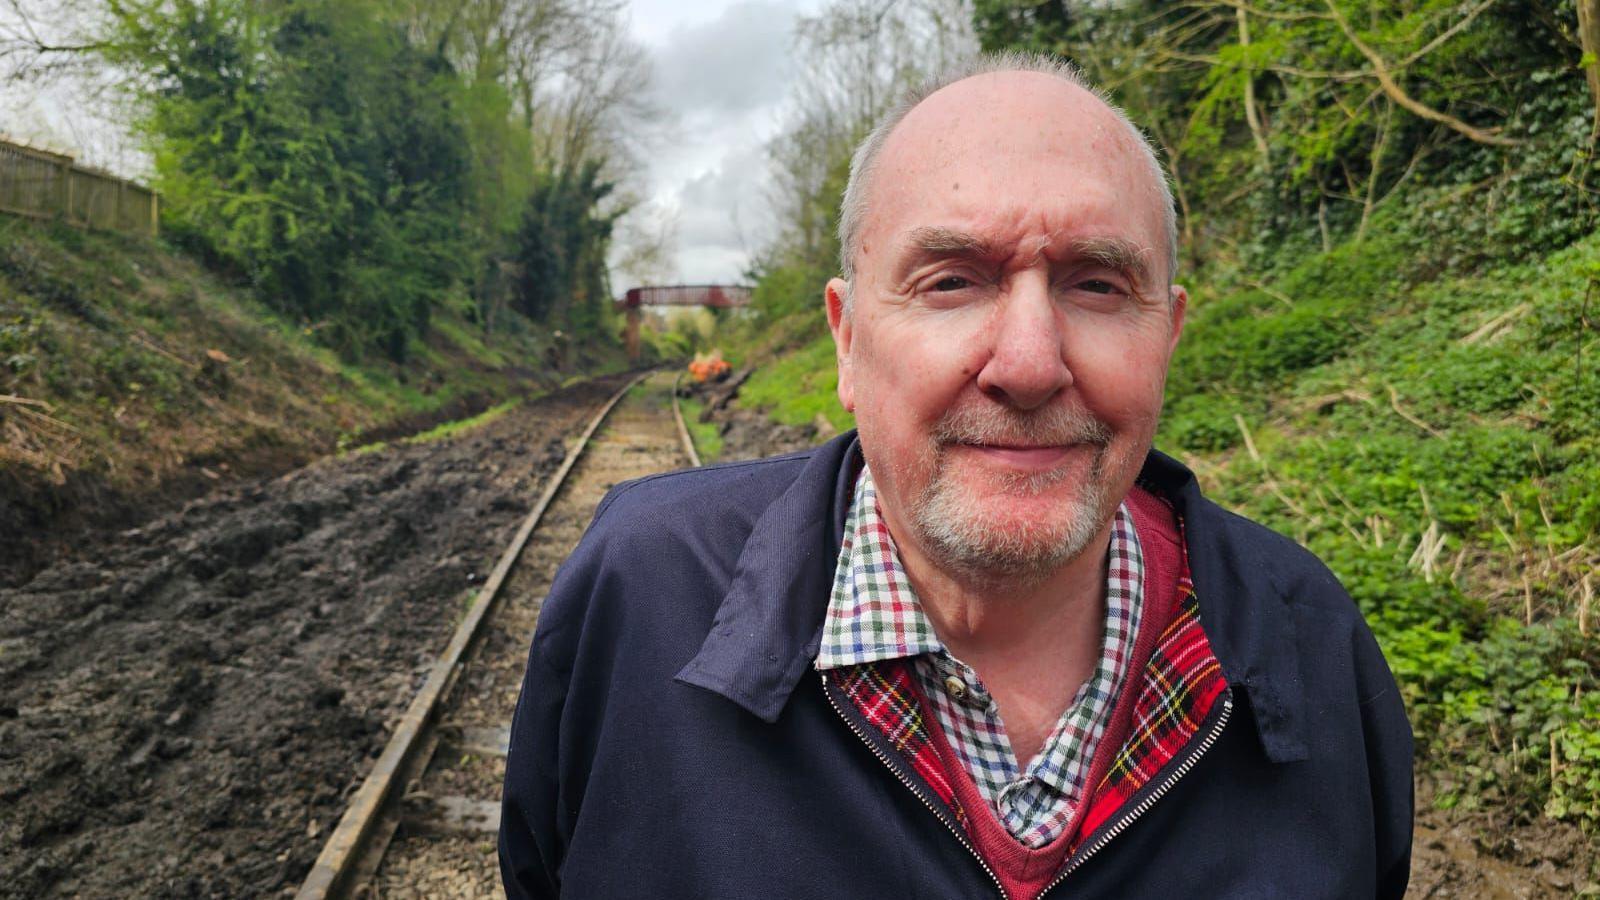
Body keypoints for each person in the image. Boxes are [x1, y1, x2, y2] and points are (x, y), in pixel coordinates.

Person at [499, 52, 1413, 900]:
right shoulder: (640, 593)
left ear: (1167, 337)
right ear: (848, 337)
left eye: (1096, 284)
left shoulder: (1313, 646)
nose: (1028, 362)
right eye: (951, 281)